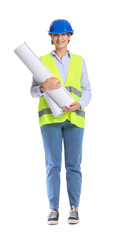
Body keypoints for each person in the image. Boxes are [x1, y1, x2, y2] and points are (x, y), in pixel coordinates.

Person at [30, 19, 92, 225]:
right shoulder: (41, 61)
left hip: (74, 118)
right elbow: (32, 92)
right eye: (56, 35)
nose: (60, 38)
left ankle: (74, 208)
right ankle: (53, 209)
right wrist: (43, 87)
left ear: (70, 36)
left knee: (74, 165)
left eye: (64, 34)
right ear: (51, 37)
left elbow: (87, 90)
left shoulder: (79, 61)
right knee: (53, 165)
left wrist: (80, 104)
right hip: (50, 119)